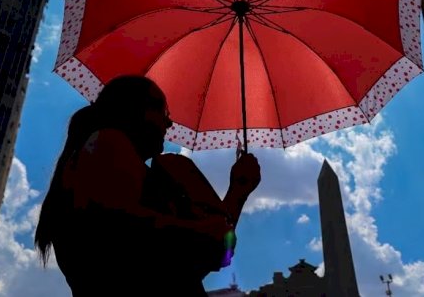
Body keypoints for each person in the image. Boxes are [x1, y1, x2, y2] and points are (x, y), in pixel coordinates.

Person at [34, 75, 261, 296]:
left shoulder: (100, 158)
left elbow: (179, 271)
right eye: (163, 112)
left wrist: (238, 191)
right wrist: (205, 231)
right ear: (133, 110)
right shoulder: (108, 141)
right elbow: (127, 237)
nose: (169, 123)